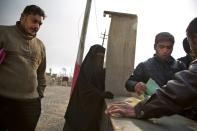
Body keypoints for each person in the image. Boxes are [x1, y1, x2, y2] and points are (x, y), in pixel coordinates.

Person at [106, 17, 197, 120]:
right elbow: (129, 82)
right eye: (161, 47)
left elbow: (184, 91)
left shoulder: (180, 65)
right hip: (151, 112)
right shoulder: (145, 65)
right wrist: (135, 85)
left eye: (168, 47)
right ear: (155, 47)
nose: (165, 50)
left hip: (178, 115)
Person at [0, 5, 46, 131]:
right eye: (34, 21)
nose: (37, 26)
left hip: (29, 105)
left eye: (40, 24)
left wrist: (39, 94)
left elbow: (41, 74)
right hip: (3, 100)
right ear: (22, 17)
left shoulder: (40, 46)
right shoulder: (3, 33)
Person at [63, 44, 113, 131]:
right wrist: (101, 94)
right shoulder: (86, 68)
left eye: (102, 56)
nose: (100, 59)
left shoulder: (100, 71)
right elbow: (85, 87)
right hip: (79, 111)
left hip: (92, 113)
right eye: (98, 56)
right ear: (93, 56)